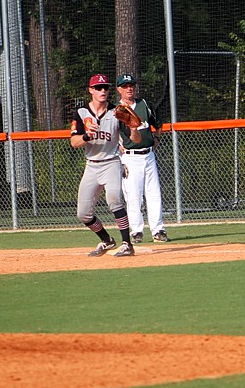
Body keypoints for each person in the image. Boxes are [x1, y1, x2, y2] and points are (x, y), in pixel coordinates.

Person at [70, 73, 142, 257]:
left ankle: (127, 244)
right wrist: (87, 136)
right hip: (91, 165)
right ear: (91, 90)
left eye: (105, 88)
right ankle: (106, 240)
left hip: (111, 163)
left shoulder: (118, 111)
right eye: (98, 88)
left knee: (114, 201)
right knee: (83, 214)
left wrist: (133, 128)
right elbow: (74, 142)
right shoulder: (81, 112)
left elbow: (136, 139)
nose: (103, 91)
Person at [116, 73, 170, 243]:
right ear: (119, 89)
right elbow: (111, 133)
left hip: (148, 155)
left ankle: (158, 230)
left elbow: (158, 124)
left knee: (154, 193)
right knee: (133, 195)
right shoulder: (116, 110)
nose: (129, 88)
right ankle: (136, 231)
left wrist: (157, 139)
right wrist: (116, 146)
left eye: (131, 85)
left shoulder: (144, 104)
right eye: (125, 86)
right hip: (130, 157)